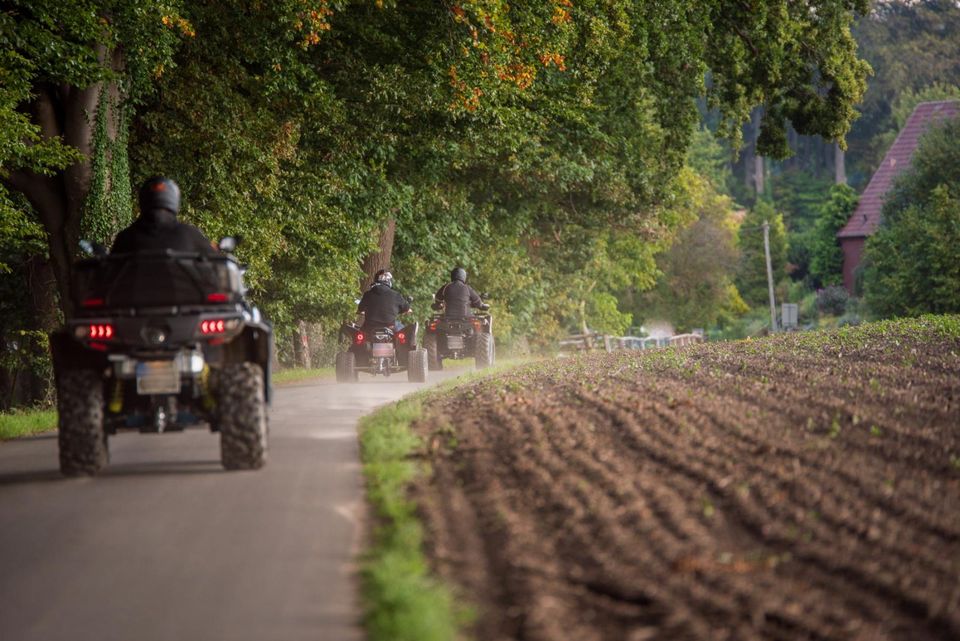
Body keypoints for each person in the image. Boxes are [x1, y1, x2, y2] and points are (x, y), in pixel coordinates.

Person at [111, 176, 216, 255]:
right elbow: (214, 266)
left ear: (142, 201)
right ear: (175, 202)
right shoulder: (191, 235)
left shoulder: (125, 238)